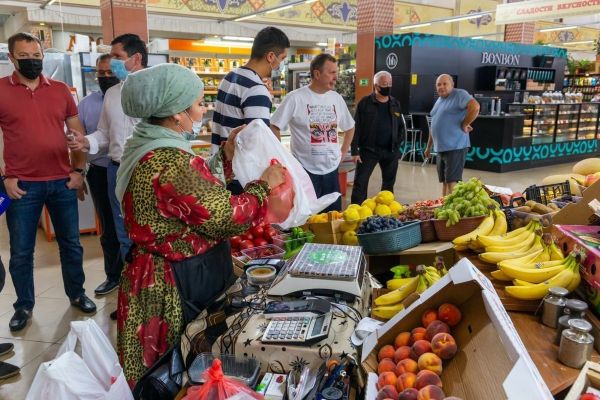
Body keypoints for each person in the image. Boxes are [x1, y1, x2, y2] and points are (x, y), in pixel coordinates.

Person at [114, 64, 285, 386]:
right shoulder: (169, 160)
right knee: (177, 370)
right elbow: (225, 217)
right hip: (172, 284)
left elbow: (192, 191)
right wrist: (263, 185)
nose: (202, 107)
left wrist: (226, 156)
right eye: (196, 102)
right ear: (176, 113)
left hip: (160, 271)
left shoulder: (150, 145)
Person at [0, 32, 96, 332]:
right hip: (21, 185)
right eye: (24, 56)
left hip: (61, 181)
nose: (32, 61)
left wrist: (78, 172)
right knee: (21, 251)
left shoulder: (59, 91)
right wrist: (4, 175)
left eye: (36, 55)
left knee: (71, 245)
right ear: (11, 58)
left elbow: (77, 132)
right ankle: (24, 305)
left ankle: (77, 293)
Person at [68, 33, 147, 270]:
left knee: (148, 231)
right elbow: (104, 132)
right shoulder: (112, 94)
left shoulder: (154, 88)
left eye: (117, 57)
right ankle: (129, 288)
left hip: (145, 170)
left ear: (136, 58)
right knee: (122, 232)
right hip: (116, 170)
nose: (111, 62)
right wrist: (86, 141)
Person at [271, 53, 355, 212]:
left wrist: (342, 152)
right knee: (307, 217)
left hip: (331, 171)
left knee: (332, 217)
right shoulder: (295, 98)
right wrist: (283, 157)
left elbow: (350, 127)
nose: (335, 77)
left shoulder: (336, 99)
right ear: (317, 74)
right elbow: (274, 125)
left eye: (336, 73)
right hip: (304, 171)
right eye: (331, 73)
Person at [212, 26, 289, 193]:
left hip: (221, 168)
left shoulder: (230, 77)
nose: (280, 66)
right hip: (242, 177)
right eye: (281, 59)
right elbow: (257, 143)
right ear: (270, 56)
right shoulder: (256, 89)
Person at [78, 53, 122, 295]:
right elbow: (82, 139)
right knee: (108, 227)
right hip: (99, 171)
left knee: (127, 228)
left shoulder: (131, 97)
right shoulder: (86, 104)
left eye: (109, 72)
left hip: (124, 170)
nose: (105, 77)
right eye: (101, 73)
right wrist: (76, 171)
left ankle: (132, 278)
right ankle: (113, 275)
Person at [350, 71, 403, 205]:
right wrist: (354, 151)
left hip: (390, 151)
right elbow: (355, 127)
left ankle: (385, 213)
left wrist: (397, 147)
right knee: (360, 183)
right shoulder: (365, 103)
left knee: (389, 185)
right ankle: (357, 211)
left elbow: (400, 127)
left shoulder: (395, 103)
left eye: (390, 83)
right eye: (384, 84)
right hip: (368, 151)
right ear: (376, 85)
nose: (388, 86)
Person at [424, 74, 480, 196]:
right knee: (444, 181)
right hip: (441, 148)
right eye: (439, 84)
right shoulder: (439, 100)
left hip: (455, 146)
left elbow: (475, 107)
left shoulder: (459, 94)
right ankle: (444, 207)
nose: (441, 87)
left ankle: (453, 210)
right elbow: (434, 125)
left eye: (445, 83)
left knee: (452, 181)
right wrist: (428, 147)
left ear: (452, 85)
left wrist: (465, 123)